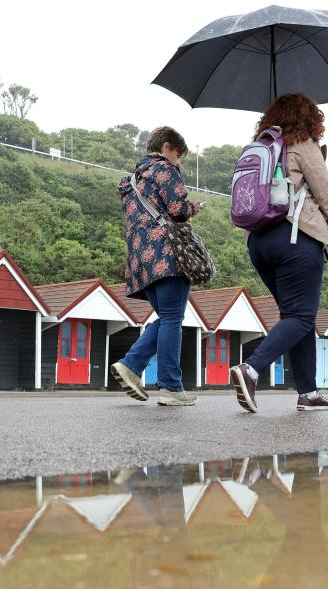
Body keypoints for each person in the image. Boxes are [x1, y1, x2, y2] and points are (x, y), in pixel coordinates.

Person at [230, 93, 328, 413]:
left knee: (297, 317)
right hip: (294, 239)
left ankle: (308, 392)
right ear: (309, 119)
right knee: (301, 316)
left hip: (258, 242)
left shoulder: (261, 147)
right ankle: (250, 369)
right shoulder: (303, 145)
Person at [111, 127, 205, 407]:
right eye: (178, 154)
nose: (179, 161)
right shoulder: (164, 170)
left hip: (140, 260)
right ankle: (170, 386)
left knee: (166, 317)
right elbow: (177, 209)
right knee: (173, 319)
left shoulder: (131, 181)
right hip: (167, 254)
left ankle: (131, 366)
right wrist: (193, 208)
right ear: (167, 147)